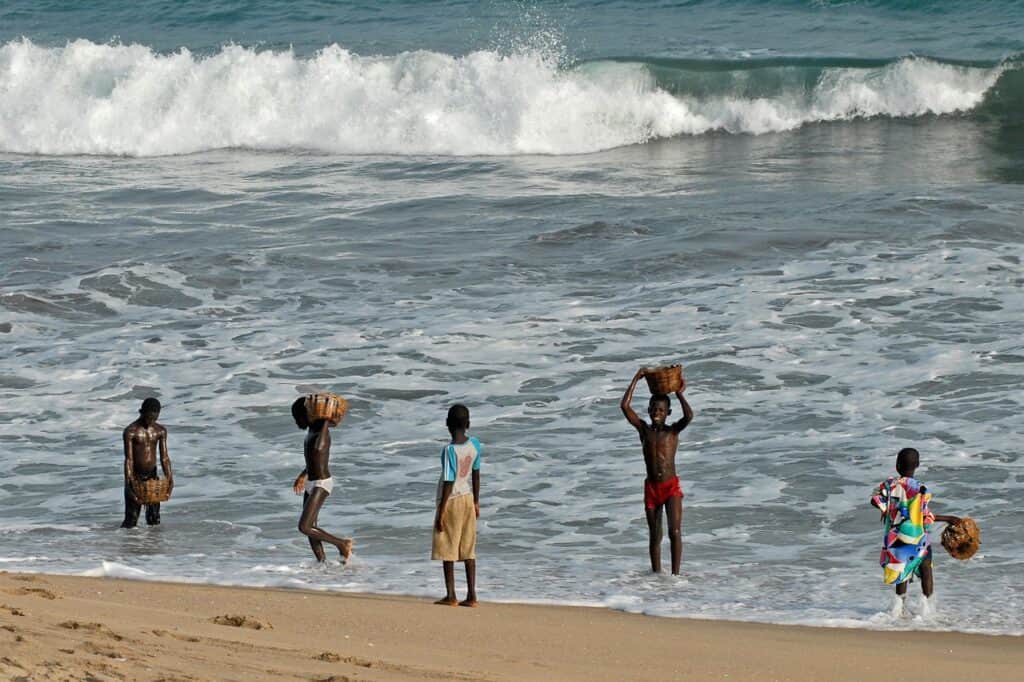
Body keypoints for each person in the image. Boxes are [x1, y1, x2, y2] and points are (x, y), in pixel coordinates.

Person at [621, 368, 693, 575]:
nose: (656, 413)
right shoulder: (643, 430)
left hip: (670, 487)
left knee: (675, 531)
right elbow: (624, 406)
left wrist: (679, 393)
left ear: (668, 413)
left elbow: (689, 416)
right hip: (651, 488)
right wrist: (636, 378)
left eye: (661, 410)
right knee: (655, 535)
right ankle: (656, 578)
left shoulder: (673, 431)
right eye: (653, 409)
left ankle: (676, 576)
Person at [870, 447, 959, 610]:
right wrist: (949, 518)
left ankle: (899, 608)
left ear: (897, 465)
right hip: (918, 539)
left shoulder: (890, 485)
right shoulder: (920, 489)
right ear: (917, 465)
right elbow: (925, 516)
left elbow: (875, 499)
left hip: (898, 540)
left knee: (902, 572)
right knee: (926, 569)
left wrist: (886, 508)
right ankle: (927, 609)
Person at [291, 397, 352, 563]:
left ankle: (342, 544)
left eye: (298, 417)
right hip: (311, 482)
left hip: (321, 484)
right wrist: (302, 476)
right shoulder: (311, 430)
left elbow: (319, 448)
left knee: (305, 527)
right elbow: (312, 458)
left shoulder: (321, 432)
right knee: (312, 528)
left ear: (309, 414)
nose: (296, 422)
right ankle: (322, 563)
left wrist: (326, 419)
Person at [432, 404, 482, 606]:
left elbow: (449, 481)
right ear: (468, 424)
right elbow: (476, 474)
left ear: (447, 425)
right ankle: (472, 595)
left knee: (448, 548)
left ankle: (451, 595)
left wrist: (441, 512)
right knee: (468, 548)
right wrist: (477, 501)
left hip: (451, 501)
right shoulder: (475, 444)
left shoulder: (449, 450)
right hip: (468, 498)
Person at [121, 397, 173, 528]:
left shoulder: (160, 430)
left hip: (152, 476)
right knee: (131, 519)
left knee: (154, 519)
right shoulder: (130, 431)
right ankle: (127, 545)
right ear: (141, 412)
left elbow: (164, 458)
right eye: (149, 418)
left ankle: (152, 546)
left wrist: (170, 478)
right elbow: (129, 460)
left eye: (154, 418)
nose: (151, 421)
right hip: (135, 476)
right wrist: (129, 483)